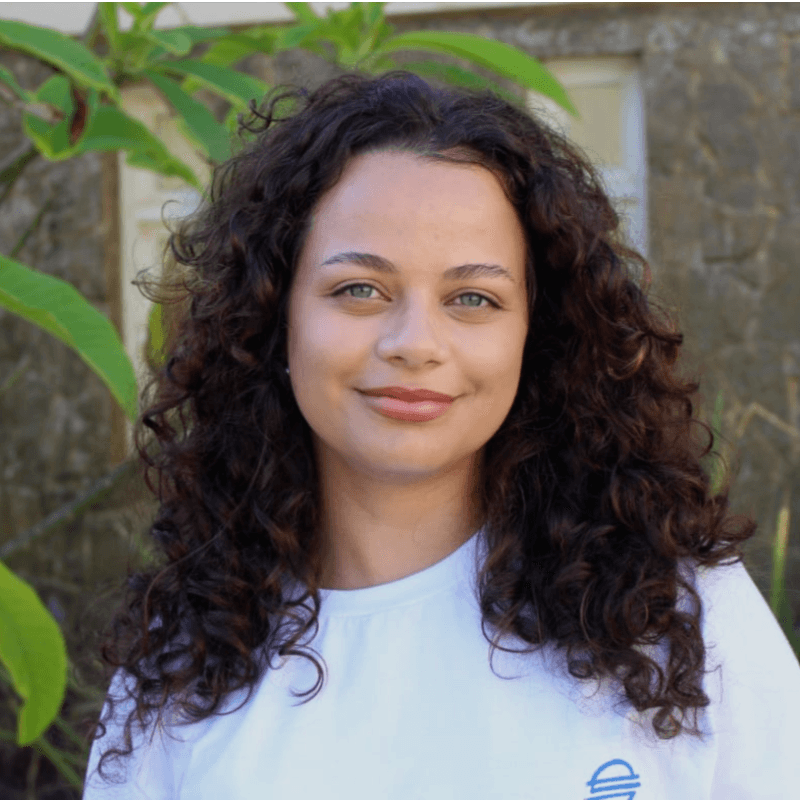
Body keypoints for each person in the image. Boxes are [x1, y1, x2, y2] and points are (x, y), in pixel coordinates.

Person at [81, 70, 800, 799]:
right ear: (273, 317)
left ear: (537, 334)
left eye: (473, 298)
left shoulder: (675, 615)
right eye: (359, 289)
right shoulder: (181, 673)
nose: (415, 343)